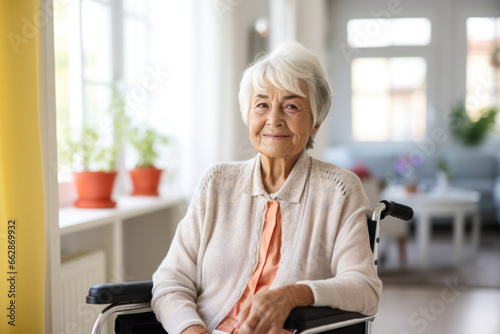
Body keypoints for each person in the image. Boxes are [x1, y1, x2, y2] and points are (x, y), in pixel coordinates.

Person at [152, 41, 382, 334]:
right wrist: (191, 330)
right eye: (262, 104)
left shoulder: (339, 190)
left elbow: (365, 289)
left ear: (315, 123)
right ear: (249, 115)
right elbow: (171, 280)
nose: (273, 119)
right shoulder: (217, 184)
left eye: (291, 106)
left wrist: (291, 294)